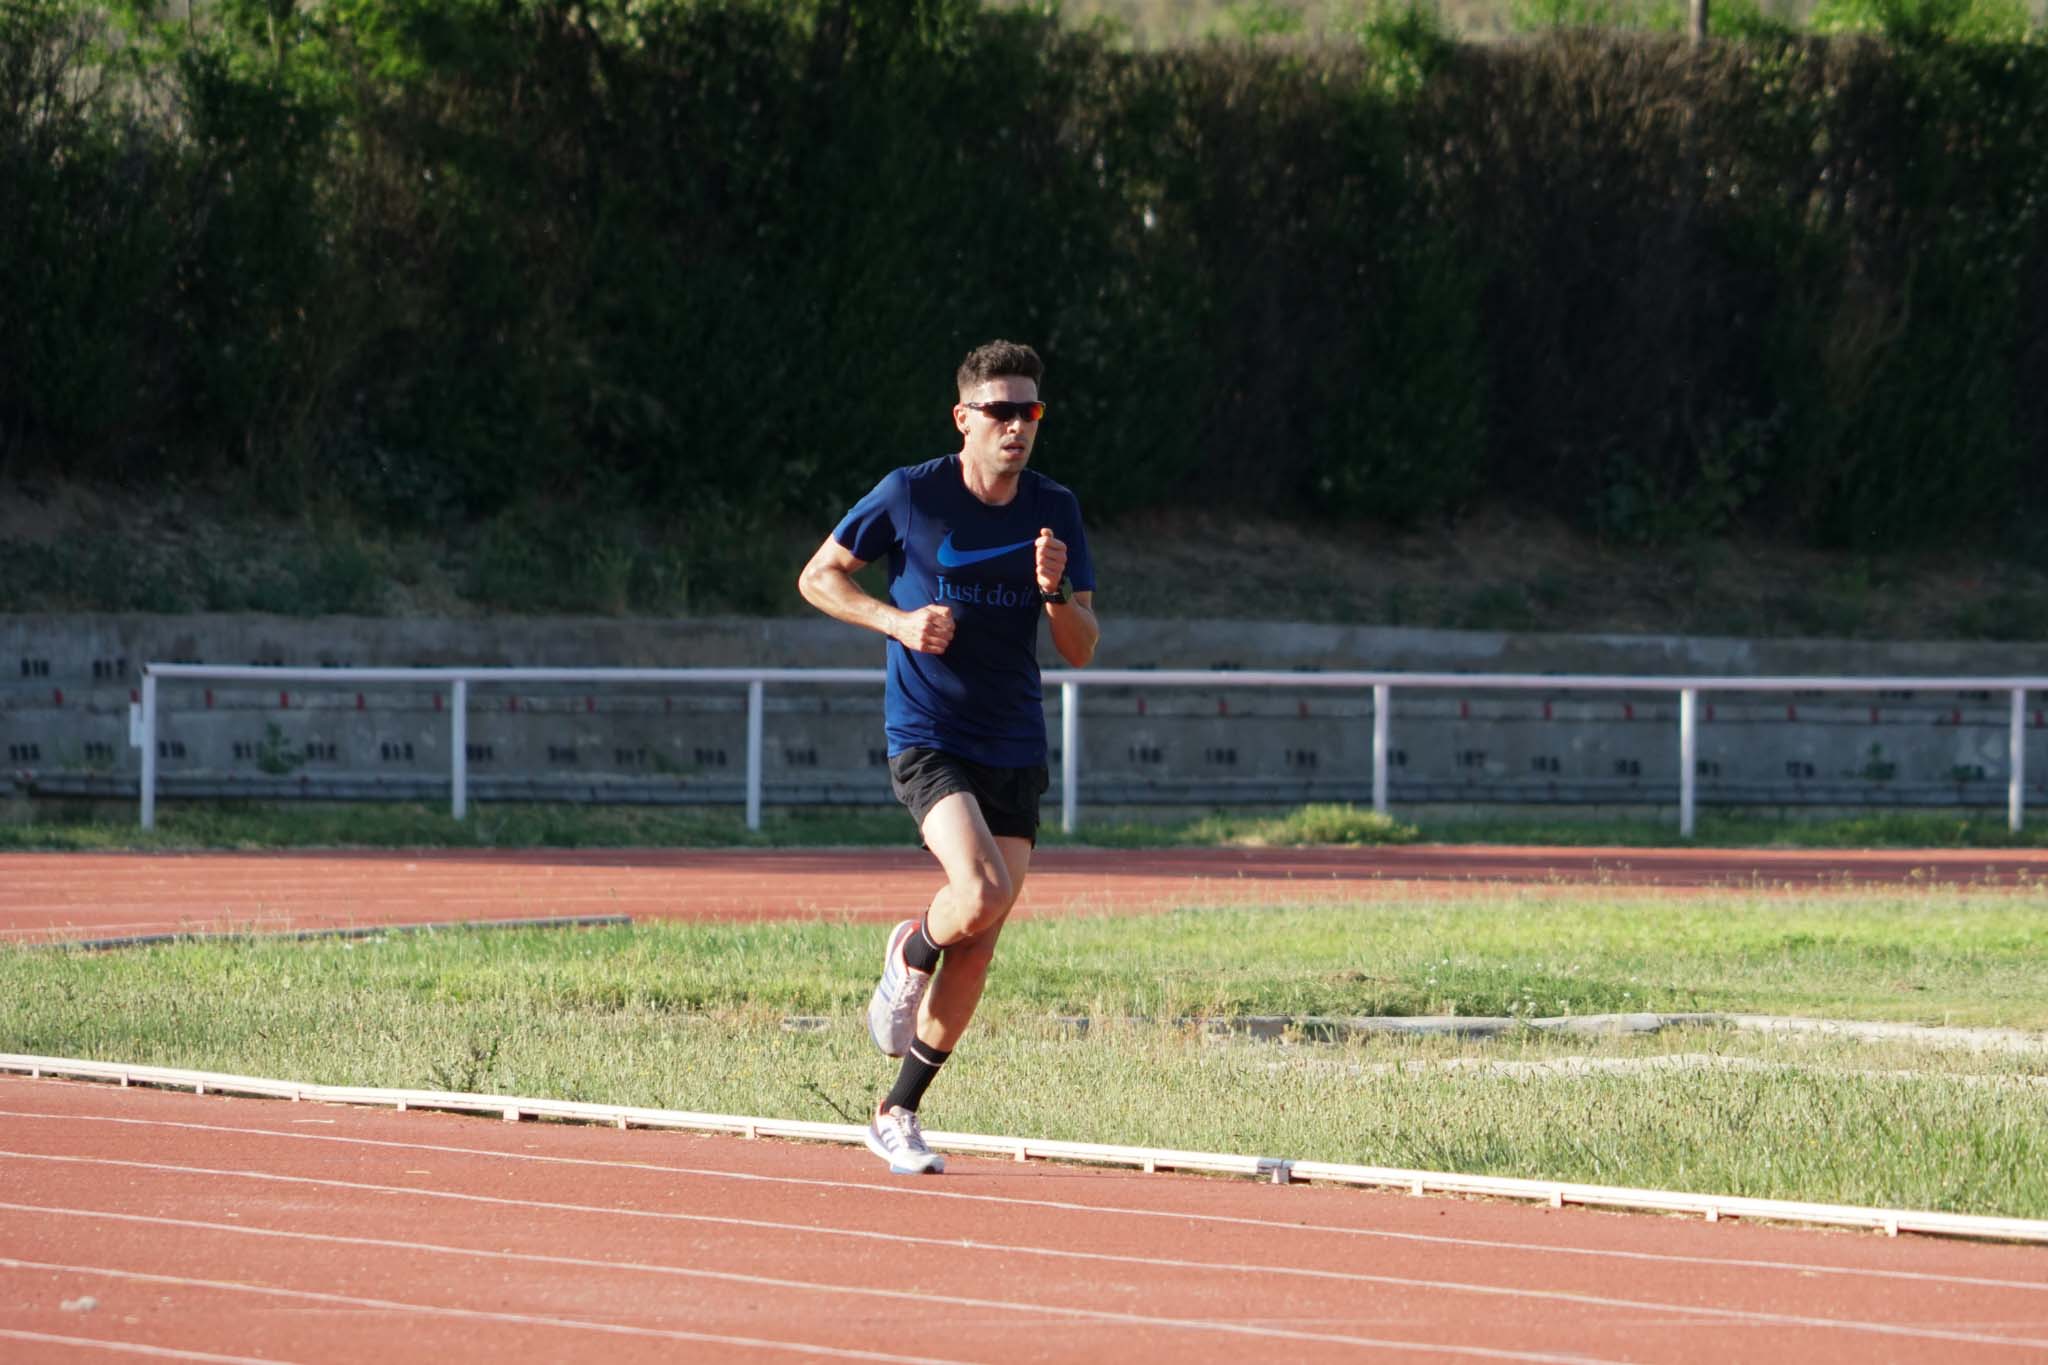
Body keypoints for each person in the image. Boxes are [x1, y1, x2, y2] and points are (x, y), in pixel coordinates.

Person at [797, 339, 1099, 1175]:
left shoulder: (1054, 509)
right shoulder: (911, 493)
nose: (1016, 427)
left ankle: (896, 1110)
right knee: (979, 891)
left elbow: (1080, 647)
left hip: (1014, 742)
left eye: (1029, 411)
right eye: (1000, 411)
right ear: (963, 418)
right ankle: (908, 953)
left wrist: (1052, 590)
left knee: (984, 934)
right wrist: (897, 622)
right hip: (929, 736)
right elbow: (818, 577)